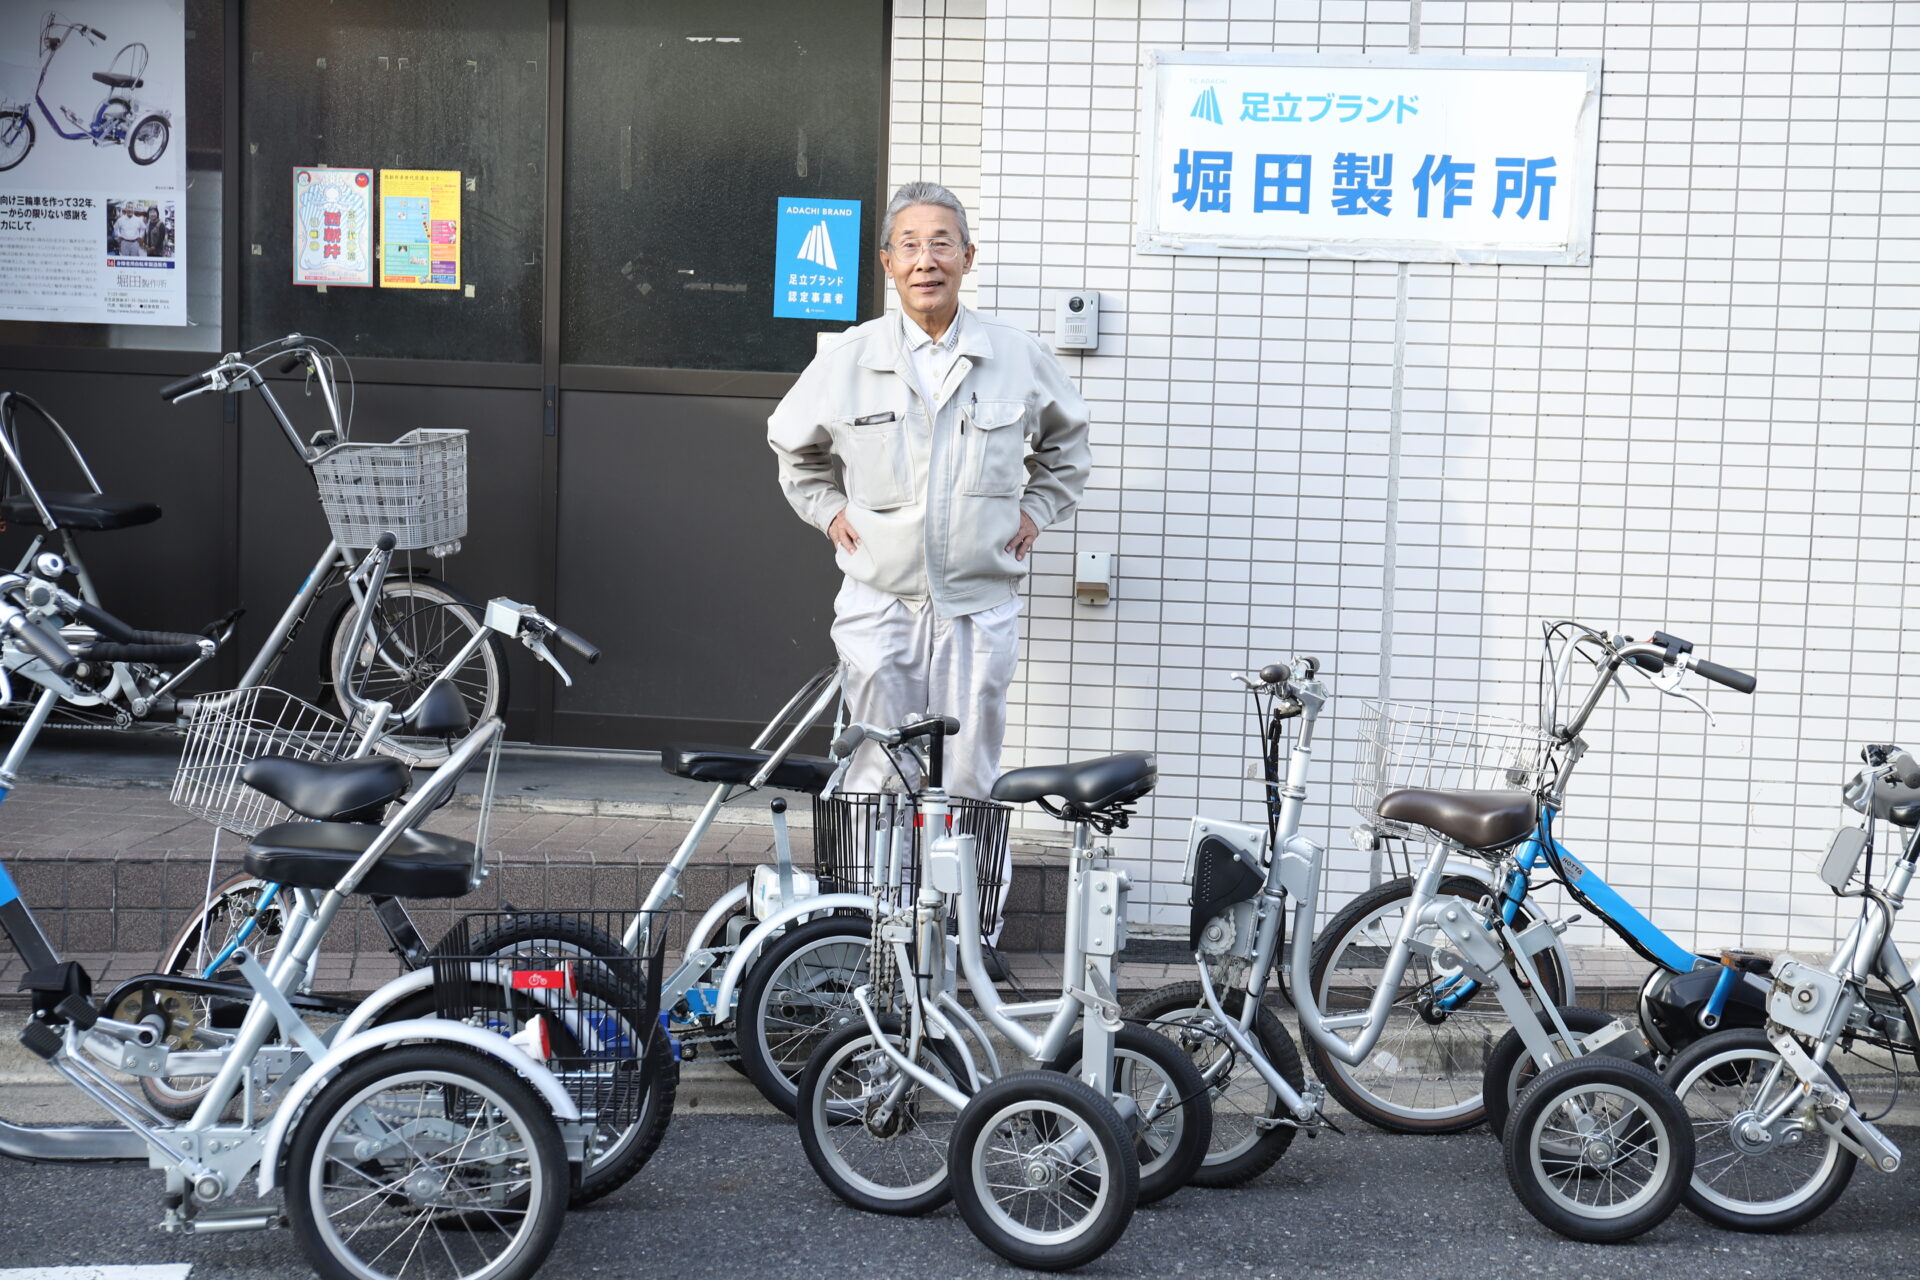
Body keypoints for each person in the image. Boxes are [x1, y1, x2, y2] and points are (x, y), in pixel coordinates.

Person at [768, 181, 1091, 961]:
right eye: (909, 245)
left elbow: (1067, 453)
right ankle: (866, 940)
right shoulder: (848, 360)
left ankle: (966, 942)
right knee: (877, 769)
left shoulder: (1016, 358)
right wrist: (829, 513)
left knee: (972, 774)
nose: (926, 260)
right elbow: (793, 450)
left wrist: (1035, 515)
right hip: (881, 602)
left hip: (979, 604)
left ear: (968, 257)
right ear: (886, 261)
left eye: (942, 243)